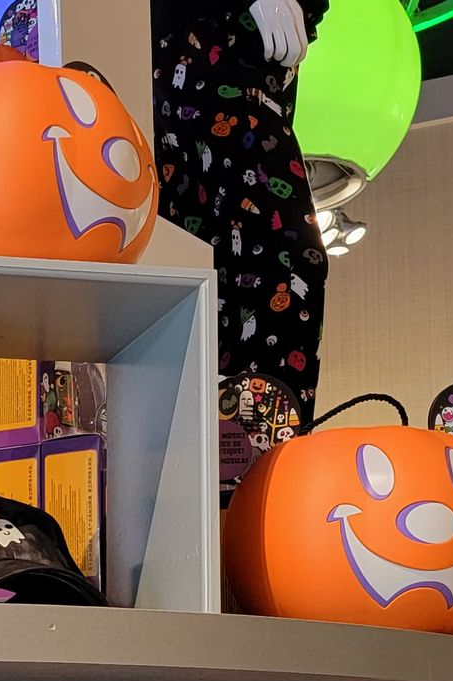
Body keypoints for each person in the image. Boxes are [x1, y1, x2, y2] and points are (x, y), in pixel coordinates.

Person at [151, 0, 329, 417]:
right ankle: (246, 437)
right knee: (274, 258)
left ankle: (243, 437)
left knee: (225, 269)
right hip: (200, 41)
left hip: (257, 57)